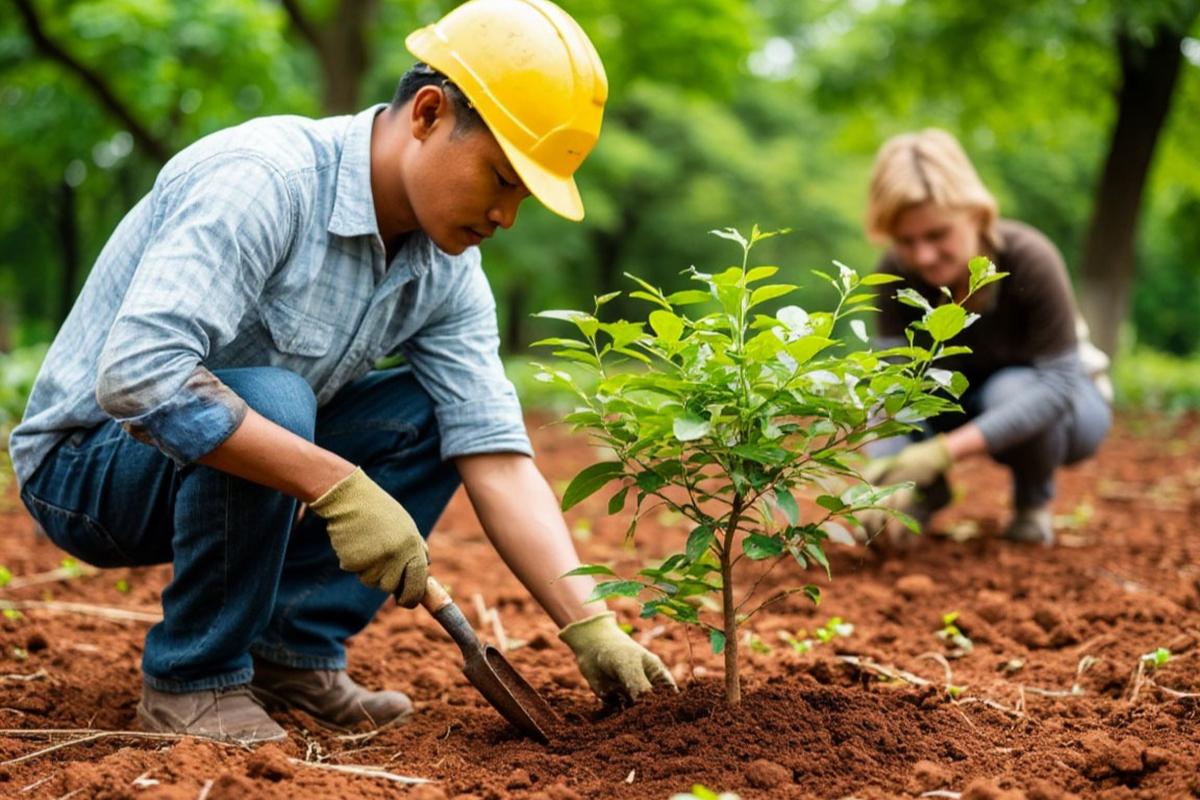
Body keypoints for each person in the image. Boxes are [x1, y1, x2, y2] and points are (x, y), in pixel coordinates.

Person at [9, 0, 673, 745]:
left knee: (432, 408)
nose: (507, 215)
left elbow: (493, 452)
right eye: (502, 178)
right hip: (89, 470)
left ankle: (289, 652)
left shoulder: (446, 272)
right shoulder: (265, 179)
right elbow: (139, 376)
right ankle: (193, 682)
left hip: (225, 457)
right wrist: (335, 482)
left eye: (524, 195)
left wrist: (591, 625)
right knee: (276, 398)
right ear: (427, 113)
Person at [857, 128, 1112, 547]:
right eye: (906, 241)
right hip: (962, 404)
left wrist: (940, 453)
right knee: (894, 396)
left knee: (1011, 388)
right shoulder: (893, 277)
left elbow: (1058, 383)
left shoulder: (1028, 257)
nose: (923, 256)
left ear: (975, 214)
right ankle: (923, 500)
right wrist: (885, 483)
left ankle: (1032, 504)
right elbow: (892, 385)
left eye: (938, 235)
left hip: (1071, 407)